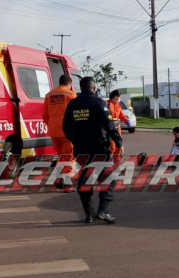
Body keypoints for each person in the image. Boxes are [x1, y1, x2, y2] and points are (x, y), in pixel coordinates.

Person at [63, 76, 123, 224]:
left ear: (80, 88)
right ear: (94, 88)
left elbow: (65, 127)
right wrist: (119, 142)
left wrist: (75, 140)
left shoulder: (72, 104)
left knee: (85, 179)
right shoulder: (98, 102)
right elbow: (109, 125)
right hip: (99, 149)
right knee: (107, 179)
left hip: (81, 149)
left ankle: (89, 214)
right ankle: (103, 211)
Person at [43, 74, 77, 191]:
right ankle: (68, 184)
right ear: (69, 84)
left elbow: (45, 115)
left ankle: (59, 179)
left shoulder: (49, 95)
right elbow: (75, 114)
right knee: (69, 157)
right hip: (67, 131)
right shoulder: (71, 95)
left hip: (54, 130)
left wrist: (52, 125)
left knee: (61, 156)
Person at [106, 90, 129, 156]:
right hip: (110, 128)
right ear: (116, 97)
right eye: (119, 97)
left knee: (118, 146)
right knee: (112, 147)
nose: (120, 99)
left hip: (117, 128)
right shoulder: (107, 103)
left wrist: (126, 120)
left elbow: (121, 114)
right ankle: (109, 162)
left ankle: (117, 162)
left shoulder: (118, 105)